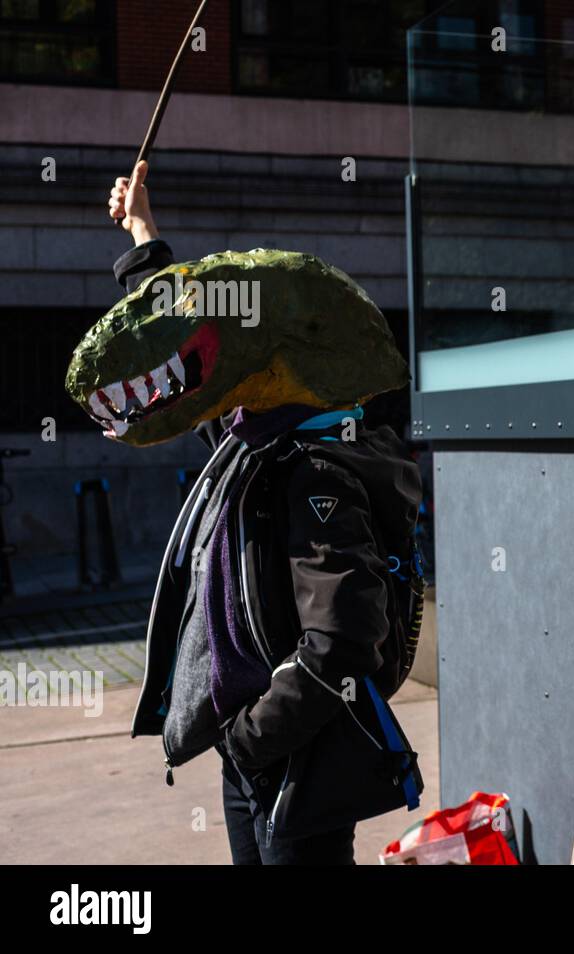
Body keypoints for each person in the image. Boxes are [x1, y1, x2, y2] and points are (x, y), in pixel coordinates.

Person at [98, 162, 423, 864]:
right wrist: (143, 237)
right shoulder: (255, 444)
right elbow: (184, 362)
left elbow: (341, 643)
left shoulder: (310, 471)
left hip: (294, 756)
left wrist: (250, 735)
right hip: (256, 752)